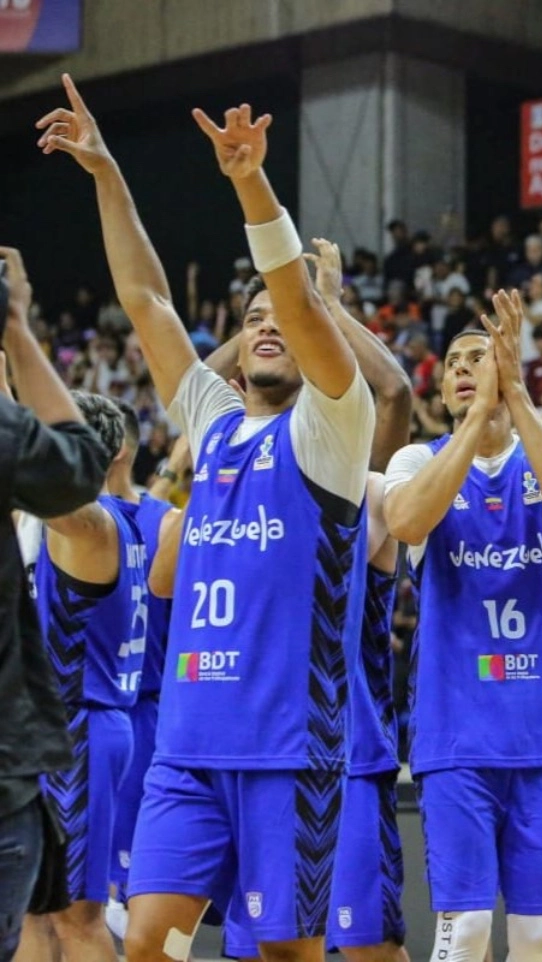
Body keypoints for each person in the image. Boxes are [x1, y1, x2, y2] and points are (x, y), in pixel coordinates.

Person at [40, 75, 375, 962]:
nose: (267, 324)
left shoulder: (336, 430)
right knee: (145, 942)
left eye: (282, 318)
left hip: (288, 747)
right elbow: (148, 304)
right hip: (188, 743)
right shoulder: (216, 424)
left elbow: (301, 302)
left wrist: (250, 188)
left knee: (284, 955)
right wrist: (108, 174)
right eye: (252, 317)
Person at [215, 238, 414, 962]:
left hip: (347, 745)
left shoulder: (348, 474)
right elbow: (187, 382)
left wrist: (320, 308)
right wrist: (265, 314)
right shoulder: (230, 466)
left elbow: (393, 392)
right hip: (251, 740)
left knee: (364, 950)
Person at [384, 291, 542, 962]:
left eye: (483, 356)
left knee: (537, 938)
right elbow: (409, 523)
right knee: (466, 929)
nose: (468, 367)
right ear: (443, 389)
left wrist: (520, 399)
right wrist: (480, 417)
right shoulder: (416, 463)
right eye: (455, 363)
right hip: (457, 736)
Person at [0, 246, 110, 962]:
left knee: (75, 922)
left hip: (97, 718)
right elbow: (73, 464)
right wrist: (15, 323)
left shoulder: (106, 528)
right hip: (28, 742)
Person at [12, 384, 146, 962]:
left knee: (77, 919)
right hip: (54, 732)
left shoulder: (92, 524)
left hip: (81, 732)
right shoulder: (73, 525)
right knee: (31, 915)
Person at [106, 402, 180, 937]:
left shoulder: (161, 518)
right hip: (87, 718)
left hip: (137, 712)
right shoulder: (160, 516)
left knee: (123, 907)